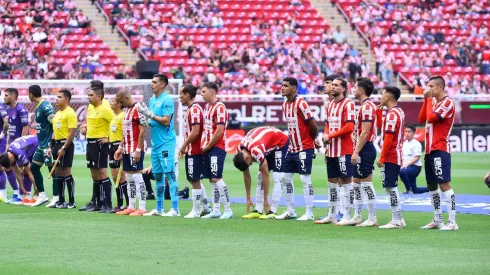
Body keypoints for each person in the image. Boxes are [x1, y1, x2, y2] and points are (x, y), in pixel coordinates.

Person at [418, 76, 458, 231]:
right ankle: (437, 219)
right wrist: (426, 100)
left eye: (432, 86)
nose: (429, 88)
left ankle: (453, 222)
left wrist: (428, 100)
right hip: (429, 150)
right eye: (428, 86)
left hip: (440, 148)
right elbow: (422, 118)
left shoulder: (447, 102)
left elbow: (431, 118)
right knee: (431, 185)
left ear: (441, 87)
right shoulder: (432, 101)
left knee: (444, 184)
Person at [138, 74, 180, 217]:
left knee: (169, 174)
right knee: (157, 175)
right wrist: (146, 120)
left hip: (166, 143)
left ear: (162, 84)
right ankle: (159, 208)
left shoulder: (167, 100)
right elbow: (154, 121)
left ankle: (175, 208)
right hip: (155, 144)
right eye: (152, 82)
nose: (152, 84)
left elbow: (166, 121)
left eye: (155, 82)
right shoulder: (151, 100)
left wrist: (149, 115)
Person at [278, 77, 319, 221]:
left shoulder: (301, 103)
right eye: (282, 85)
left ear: (294, 88)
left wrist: (314, 140)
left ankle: (309, 212)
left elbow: (312, 123)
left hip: (304, 146)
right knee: (285, 177)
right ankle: (291, 210)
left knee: (304, 178)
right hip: (292, 147)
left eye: (286, 86)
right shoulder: (284, 105)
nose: (282, 88)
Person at [316, 77, 355, 225]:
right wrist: (326, 138)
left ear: (343, 89)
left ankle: (346, 216)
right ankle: (331, 215)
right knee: (331, 183)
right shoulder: (330, 104)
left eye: (336, 85)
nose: (332, 87)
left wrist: (330, 135)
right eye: (332, 85)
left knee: (346, 182)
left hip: (344, 150)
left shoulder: (348, 104)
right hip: (332, 150)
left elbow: (349, 128)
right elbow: (327, 124)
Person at [233, 126, 288, 220]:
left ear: (247, 158)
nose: (250, 165)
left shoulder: (256, 150)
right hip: (267, 145)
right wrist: (248, 198)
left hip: (280, 143)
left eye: (249, 164)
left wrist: (266, 199)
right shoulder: (239, 151)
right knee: (259, 176)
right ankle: (258, 210)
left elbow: (266, 175)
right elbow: (246, 175)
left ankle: (272, 211)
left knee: (277, 176)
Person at [198, 82, 233, 219]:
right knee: (212, 179)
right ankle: (216, 210)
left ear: (212, 92)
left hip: (216, 147)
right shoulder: (207, 107)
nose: (201, 94)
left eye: (204, 91)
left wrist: (208, 145)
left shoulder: (220, 107)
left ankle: (228, 209)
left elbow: (219, 131)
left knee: (217, 177)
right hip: (207, 148)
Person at [177, 84, 211, 218]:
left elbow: (196, 131)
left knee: (195, 179)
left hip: (196, 150)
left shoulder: (195, 109)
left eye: (181, 94)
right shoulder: (192, 109)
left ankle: (195, 211)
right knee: (192, 179)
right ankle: (206, 207)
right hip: (192, 150)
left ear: (187, 95)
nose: (179, 96)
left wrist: (184, 145)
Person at [80, 84, 114, 213]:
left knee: (102, 173)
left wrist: (109, 138)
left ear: (99, 96)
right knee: (94, 174)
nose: (88, 97)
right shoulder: (91, 108)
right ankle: (98, 204)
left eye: (91, 95)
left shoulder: (105, 108)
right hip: (90, 143)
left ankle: (108, 204)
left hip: (100, 144)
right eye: (88, 95)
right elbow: (91, 123)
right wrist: (85, 127)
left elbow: (116, 122)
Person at [376, 86, 406, 229]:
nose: (380, 97)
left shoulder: (392, 114)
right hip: (395, 154)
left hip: (391, 155)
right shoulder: (398, 112)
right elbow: (384, 130)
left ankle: (396, 220)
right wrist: (379, 114)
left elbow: (388, 137)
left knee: (390, 187)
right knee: (390, 186)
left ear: (388, 96)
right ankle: (399, 217)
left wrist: (382, 157)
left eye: (382, 94)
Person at [113, 90, 147, 216]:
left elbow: (143, 131)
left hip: (135, 149)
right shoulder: (126, 110)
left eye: (121, 101)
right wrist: (120, 148)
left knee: (137, 176)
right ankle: (131, 206)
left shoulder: (138, 109)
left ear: (127, 97)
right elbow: (125, 132)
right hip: (127, 148)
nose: (120, 104)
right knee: (129, 177)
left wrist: (138, 150)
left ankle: (142, 207)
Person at [350, 77, 378, 226]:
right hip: (361, 148)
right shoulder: (363, 106)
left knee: (366, 184)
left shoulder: (367, 107)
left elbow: (365, 132)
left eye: (354, 87)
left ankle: (372, 218)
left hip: (365, 148)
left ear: (361, 90)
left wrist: (356, 151)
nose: (353, 90)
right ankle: (358, 215)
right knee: (356, 182)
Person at [47, 90, 77, 209]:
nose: (56, 99)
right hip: (57, 145)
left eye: (59, 97)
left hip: (66, 145)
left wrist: (64, 147)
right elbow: (54, 132)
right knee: (58, 172)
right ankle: (61, 200)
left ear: (67, 99)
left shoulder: (70, 113)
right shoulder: (57, 113)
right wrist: (51, 146)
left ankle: (72, 201)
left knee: (66, 172)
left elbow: (72, 133)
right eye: (56, 97)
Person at [29, 85, 56, 207]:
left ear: (31, 94)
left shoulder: (46, 106)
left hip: (47, 145)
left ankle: (57, 197)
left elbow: (54, 124)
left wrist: (52, 143)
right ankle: (42, 195)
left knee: (52, 170)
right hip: (41, 145)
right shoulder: (38, 106)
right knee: (34, 168)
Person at [2, 88, 29, 204]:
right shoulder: (9, 109)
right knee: (11, 168)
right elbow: (11, 129)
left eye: (6, 95)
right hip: (12, 144)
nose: (4, 97)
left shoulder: (21, 109)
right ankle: (17, 193)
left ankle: (24, 196)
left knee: (23, 170)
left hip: (20, 145)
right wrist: (8, 142)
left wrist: (21, 144)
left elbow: (25, 127)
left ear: (13, 97)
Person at [0, 135, 38, 202]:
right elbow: (17, 173)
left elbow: (30, 173)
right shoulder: (10, 153)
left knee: (29, 170)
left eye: (11, 164)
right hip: (28, 147)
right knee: (23, 172)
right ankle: (27, 196)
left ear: (10, 158)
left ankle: (39, 193)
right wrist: (21, 187)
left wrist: (36, 187)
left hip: (37, 145)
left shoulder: (19, 154)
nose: (12, 165)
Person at [108, 96, 129, 212]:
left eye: (112, 102)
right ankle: (119, 204)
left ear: (118, 104)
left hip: (118, 147)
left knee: (121, 177)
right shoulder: (114, 118)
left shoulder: (123, 116)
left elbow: (125, 134)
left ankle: (126, 204)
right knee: (115, 177)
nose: (110, 103)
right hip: (112, 146)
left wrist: (121, 148)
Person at [399, 125, 428, 194]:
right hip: (406, 167)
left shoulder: (416, 144)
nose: (407, 133)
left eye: (409, 132)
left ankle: (408, 190)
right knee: (415, 190)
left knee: (402, 172)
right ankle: (431, 189)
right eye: (406, 131)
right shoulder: (404, 143)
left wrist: (406, 165)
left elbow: (417, 157)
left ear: (414, 133)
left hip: (415, 167)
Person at [0, 103, 11, 202]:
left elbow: (6, 122)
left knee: (0, 167)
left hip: (0, 141)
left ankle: (2, 193)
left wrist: (2, 134)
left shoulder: (0, 107)